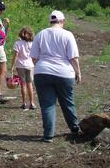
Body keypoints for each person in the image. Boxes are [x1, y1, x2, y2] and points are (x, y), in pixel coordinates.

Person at [31, 10, 82, 143]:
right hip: (64, 73)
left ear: (51, 21)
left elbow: (34, 57)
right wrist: (78, 72)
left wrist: (39, 68)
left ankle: (48, 135)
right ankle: (75, 129)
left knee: (47, 105)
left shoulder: (40, 34)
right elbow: (73, 58)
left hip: (42, 72)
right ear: (62, 21)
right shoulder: (67, 35)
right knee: (67, 102)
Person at [10, 26, 37, 111]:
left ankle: (24, 103)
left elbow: (16, 56)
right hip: (30, 65)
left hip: (20, 65)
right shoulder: (32, 43)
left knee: (23, 84)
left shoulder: (17, 43)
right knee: (30, 84)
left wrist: (12, 66)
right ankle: (32, 103)